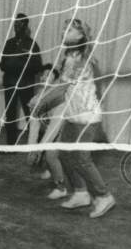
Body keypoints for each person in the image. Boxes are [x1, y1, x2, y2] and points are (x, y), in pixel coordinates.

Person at [44, 19, 116, 219]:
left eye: (69, 29)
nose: (63, 31)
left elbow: (62, 87)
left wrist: (39, 100)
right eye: (63, 27)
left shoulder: (83, 59)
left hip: (87, 117)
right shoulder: (68, 55)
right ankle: (81, 192)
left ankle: (104, 196)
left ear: (80, 36)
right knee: (66, 155)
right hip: (72, 115)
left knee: (82, 159)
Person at [26, 63, 86, 201]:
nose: (44, 77)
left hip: (71, 128)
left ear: (56, 79)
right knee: (47, 150)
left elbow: (54, 128)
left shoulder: (60, 99)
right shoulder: (36, 99)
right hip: (54, 129)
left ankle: (63, 188)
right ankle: (52, 170)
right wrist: (30, 149)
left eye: (48, 74)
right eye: (43, 74)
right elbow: (34, 126)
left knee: (51, 155)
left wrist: (38, 150)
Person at [0, 13, 43, 145]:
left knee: (30, 116)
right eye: (15, 24)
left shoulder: (32, 44)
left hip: (26, 84)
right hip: (10, 84)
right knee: (10, 116)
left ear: (25, 26)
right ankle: (10, 146)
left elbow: (37, 67)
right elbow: (2, 64)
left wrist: (19, 64)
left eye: (20, 24)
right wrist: (15, 63)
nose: (16, 26)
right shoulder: (9, 43)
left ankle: (34, 146)